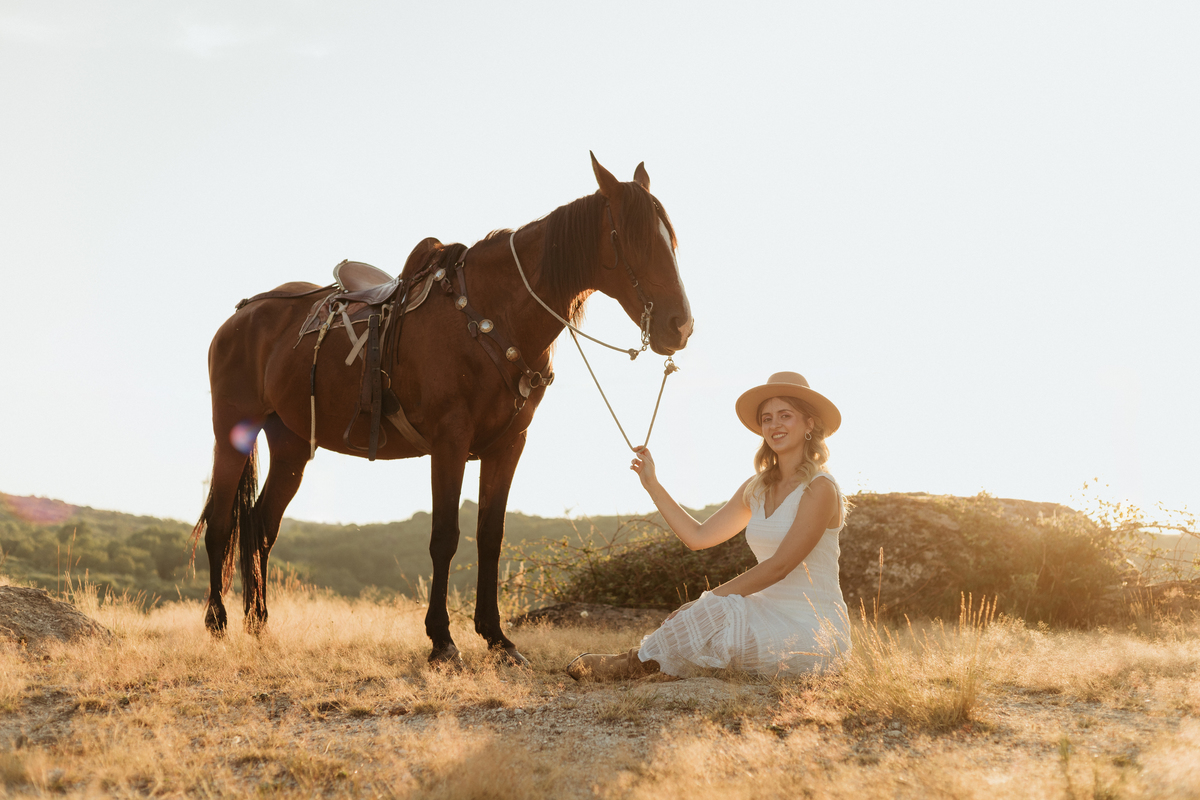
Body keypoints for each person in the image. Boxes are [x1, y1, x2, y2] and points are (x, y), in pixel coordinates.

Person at [566, 371, 851, 681]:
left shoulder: (820, 488)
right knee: (713, 618)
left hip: (811, 628)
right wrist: (652, 485)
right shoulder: (755, 488)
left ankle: (633, 664)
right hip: (762, 613)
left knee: (715, 611)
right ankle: (642, 664)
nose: (774, 425)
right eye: (767, 418)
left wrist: (707, 600)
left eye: (786, 415)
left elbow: (779, 566)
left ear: (810, 423)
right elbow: (697, 536)